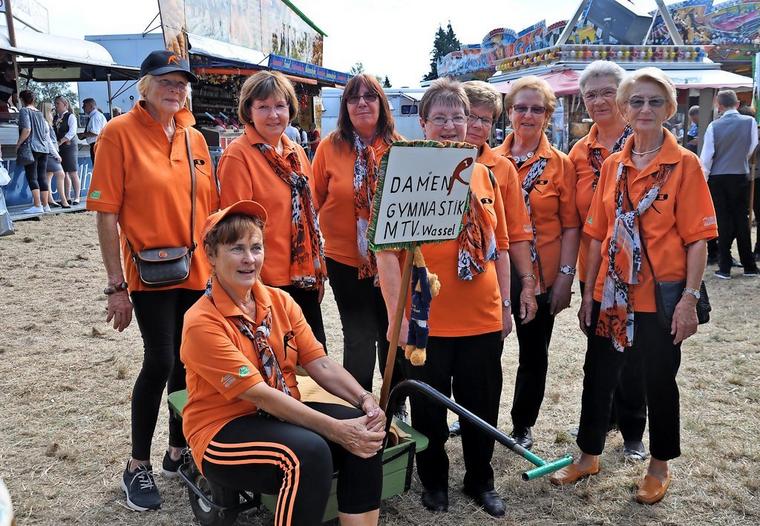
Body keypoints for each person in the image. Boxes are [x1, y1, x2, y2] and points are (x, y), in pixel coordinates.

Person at [551, 67, 717, 506]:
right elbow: (595, 234)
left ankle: (659, 466)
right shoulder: (612, 166)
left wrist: (689, 299)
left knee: (659, 382)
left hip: (660, 299)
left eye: (654, 102)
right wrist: (588, 294)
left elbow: (698, 240)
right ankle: (588, 455)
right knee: (598, 377)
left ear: (669, 109)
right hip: (611, 295)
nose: (645, 109)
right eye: (637, 102)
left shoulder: (685, 165)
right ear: (624, 110)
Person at [182, 200, 385, 526]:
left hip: (280, 413)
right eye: (236, 249)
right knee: (307, 455)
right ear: (211, 255)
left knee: (367, 432)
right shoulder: (201, 322)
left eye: (256, 247)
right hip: (221, 431)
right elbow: (260, 395)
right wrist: (335, 430)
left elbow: (319, 363)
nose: (249, 259)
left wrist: (365, 400)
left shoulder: (279, 301)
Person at [86, 50, 219, 512]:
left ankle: (178, 451)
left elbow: (210, 208)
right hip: (148, 271)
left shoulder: (194, 137)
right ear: (144, 84)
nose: (175, 88)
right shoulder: (117, 133)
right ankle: (135, 465)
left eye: (182, 82)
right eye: (166, 80)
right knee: (161, 361)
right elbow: (105, 216)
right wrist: (115, 285)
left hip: (198, 269)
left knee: (190, 363)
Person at [376, 77, 511, 517]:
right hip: (427, 319)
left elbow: (502, 247)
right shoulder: (402, 171)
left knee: (482, 406)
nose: (451, 125)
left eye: (460, 117)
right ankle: (434, 482)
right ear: (424, 123)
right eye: (441, 117)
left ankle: (480, 479)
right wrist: (398, 322)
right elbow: (387, 255)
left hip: (482, 317)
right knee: (429, 409)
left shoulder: (486, 173)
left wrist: (506, 305)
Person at [445, 80, 538, 439]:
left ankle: (478, 423)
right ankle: (456, 413)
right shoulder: (428, 160)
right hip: (442, 288)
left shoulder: (500, 169)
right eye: (470, 116)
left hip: (483, 287)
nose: (477, 126)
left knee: (482, 366)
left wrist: (525, 284)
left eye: (486, 119)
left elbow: (514, 234)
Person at [493, 76, 580, 450]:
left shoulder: (560, 164)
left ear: (548, 115)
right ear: (509, 112)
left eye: (537, 108)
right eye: (520, 107)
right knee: (484, 353)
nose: (528, 115)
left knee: (533, 354)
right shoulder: (489, 159)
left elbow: (571, 226)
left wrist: (565, 276)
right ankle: (475, 417)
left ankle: (522, 425)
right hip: (490, 272)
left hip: (540, 276)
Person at [568, 60, 647, 461]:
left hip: (639, 273)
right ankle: (606, 418)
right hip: (595, 268)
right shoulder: (580, 152)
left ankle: (633, 428)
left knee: (633, 355)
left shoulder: (646, 142)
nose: (599, 100)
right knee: (600, 354)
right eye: (590, 94)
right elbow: (575, 217)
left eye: (606, 91)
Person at [218, 71, 327, 348]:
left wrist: (315, 271)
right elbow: (236, 230)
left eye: (279, 106)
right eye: (263, 107)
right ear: (248, 111)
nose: (273, 114)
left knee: (313, 358)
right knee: (277, 362)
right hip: (264, 280)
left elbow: (310, 214)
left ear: (290, 109)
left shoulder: (297, 153)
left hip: (303, 279)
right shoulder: (239, 155)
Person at [312, 74, 404, 399]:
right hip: (345, 261)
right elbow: (315, 201)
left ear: (382, 103)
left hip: (392, 263)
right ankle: (358, 402)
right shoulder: (330, 147)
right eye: (353, 98)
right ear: (345, 107)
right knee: (359, 337)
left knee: (392, 334)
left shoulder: (399, 148)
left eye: (370, 96)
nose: (362, 103)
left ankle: (395, 404)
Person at [699, 89, 759, 278]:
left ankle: (724, 267)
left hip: (718, 178)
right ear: (737, 104)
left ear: (719, 105)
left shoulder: (713, 126)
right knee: (742, 220)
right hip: (740, 174)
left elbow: (707, 157)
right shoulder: (750, 122)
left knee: (723, 221)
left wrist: (704, 178)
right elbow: (751, 148)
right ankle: (749, 266)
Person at [16, 90, 50, 215]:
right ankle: (45, 205)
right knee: (42, 176)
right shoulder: (40, 113)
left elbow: (27, 129)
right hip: (43, 147)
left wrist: (19, 143)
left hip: (32, 147)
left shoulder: (24, 111)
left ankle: (37, 204)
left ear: (22, 99)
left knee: (32, 176)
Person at [53, 96, 81, 206]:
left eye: (58, 104)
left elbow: (72, 132)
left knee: (73, 172)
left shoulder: (71, 116)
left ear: (65, 105)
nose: (56, 106)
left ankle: (77, 197)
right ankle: (67, 196)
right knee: (63, 173)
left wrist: (61, 141)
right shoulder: (55, 117)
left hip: (69, 146)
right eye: (55, 104)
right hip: (59, 146)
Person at [43, 106, 69, 209]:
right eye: (51, 111)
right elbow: (49, 141)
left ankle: (50, 199)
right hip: (50, 152)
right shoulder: (46, 123)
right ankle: (63, 200)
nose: (53, 114)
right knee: (60, 174)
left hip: (50, 152)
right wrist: (56, 154)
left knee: (48, 176)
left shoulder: (48, 123)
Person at [80, 98, 107, 164]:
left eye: (84, 106)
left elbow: (95, 132)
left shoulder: (95, 116)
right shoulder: (95, 116)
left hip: (97, 145)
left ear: (91, 106)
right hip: (98, 144)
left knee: (98, 167)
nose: (83, 107)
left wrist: (83, 135)